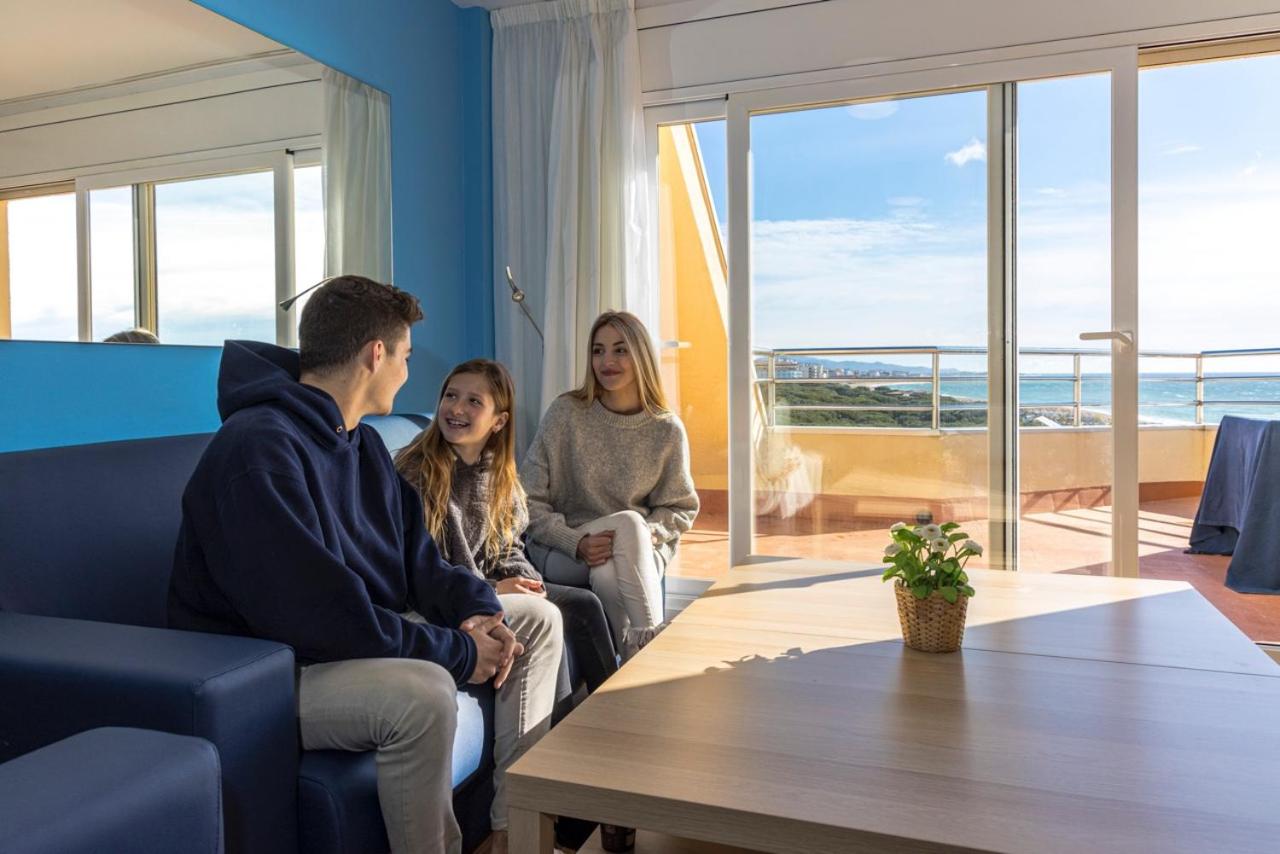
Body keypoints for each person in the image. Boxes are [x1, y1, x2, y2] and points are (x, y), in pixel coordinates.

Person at [168, 275, 561, 854]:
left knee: (538, 619)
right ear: (377, 355)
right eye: (405, 357)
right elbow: (321, 617)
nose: (405, 372)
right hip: (271, 670)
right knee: (425, 692)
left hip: (343, 641)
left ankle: (513, 834)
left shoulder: (363, 445)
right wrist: (459, 651)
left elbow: (421, 563)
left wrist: (479, 609)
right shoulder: (257, 448)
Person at [395, 359, 619, 712]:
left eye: (473, 401)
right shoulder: (415, 474)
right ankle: (558, 733)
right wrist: (495, 588)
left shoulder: (498, 475)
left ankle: (613, 714)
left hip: (490, 585)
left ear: (499, 421)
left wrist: (527, 581)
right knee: (548, 619)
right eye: (451, 396)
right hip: (454, 597)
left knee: (583, 604)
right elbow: (426, 570)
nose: (456, 408)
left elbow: (509, 546)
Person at [521, 311, 700, 661]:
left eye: (620, 350)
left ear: (641, 355)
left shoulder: (665, 429)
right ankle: (652, 654)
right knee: (627, 525)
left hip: (641, 546)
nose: (607, 361)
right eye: (598, 350)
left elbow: (681, 507)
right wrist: (576, 542)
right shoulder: (566, 413)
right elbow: (527, 500)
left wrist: (645, 534)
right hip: (563, 548)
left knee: (611, 563)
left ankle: (628, 664)